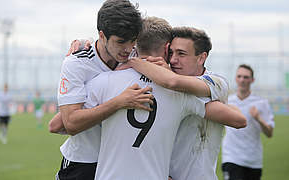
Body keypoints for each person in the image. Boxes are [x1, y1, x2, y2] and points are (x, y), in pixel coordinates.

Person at [82, 17, 246, 180]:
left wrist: (134, 62)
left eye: (181, 54)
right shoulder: (178, 93)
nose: (174, 60)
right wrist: (85, 43)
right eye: (172, 53)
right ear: (166, 49)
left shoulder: (213, 83)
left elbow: (173, 82)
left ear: (202, 58)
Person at [48, 1, 151, 180]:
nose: (128, 49)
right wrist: (119, 102)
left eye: (133, 40)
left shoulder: (137, 56)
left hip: (122, 162)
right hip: (83, 163)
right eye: (120, 42)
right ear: (102, 36)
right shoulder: (77, 63)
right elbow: (71, 123)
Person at [221, 64, 275, 180]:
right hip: (231, 157)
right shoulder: (226, 101)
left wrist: (259, 119)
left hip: (253, 160)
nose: (242, 80)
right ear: (235, 78)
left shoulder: (261, 103)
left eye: (246, 77)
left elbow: (269, 133)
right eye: (239, 76)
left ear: (252, 80)